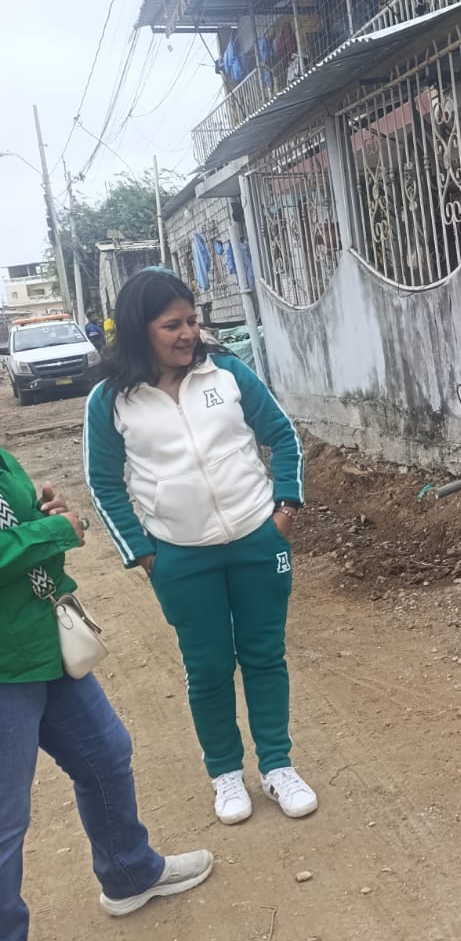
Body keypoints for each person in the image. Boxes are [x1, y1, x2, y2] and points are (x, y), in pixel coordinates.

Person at [84, 269, 316, 827]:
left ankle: (277, 766)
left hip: (257, 539)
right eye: (173, 325)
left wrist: (284, 511)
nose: (189, 333)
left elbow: (282, 436)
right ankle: (226, 774)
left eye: (192, 320)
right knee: (208, 667)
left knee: (264, 656)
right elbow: (103, 483)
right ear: (139, 329)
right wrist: (145, 555)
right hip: (180, 557)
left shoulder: (228, 373)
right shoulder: (111, 399)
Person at [0, 448, 212, 941]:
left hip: (41, 643)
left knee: (106, 754)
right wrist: (56, 531)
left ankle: (129, 874)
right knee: (5, 823)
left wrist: (45, 512)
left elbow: (20, 528)